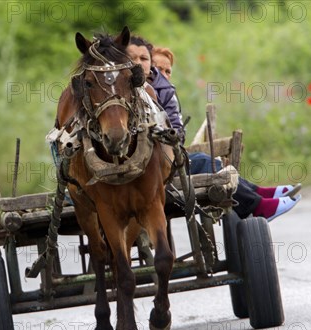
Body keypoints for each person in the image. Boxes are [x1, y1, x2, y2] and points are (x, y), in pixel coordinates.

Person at [127, 36, 301, 221]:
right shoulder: (119, 88)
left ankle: (258, 196)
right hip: (138, 165)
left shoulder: (164, 90)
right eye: (158, 68)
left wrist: (169, 136)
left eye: (166, 70)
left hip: (164, 156)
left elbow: (177, 129)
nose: (161, 73)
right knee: (203, 161)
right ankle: (258, 203)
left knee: (205, 161)